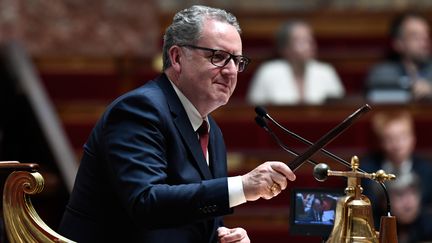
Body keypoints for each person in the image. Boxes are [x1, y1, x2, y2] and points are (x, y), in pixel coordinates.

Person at [58, 5, 296, 243]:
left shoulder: (212, 133)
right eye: (219, 57)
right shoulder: (139, 110)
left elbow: (196, 215)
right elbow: (147, 203)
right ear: (177, 57)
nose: (231, 71)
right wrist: (243, 186)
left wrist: (223, 237)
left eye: (237, 60)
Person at [360, 111, 432, 227]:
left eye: (402, 137)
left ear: (413, 139)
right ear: (381, 142)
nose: (397, 145)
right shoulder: (367, 170)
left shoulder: (427, 170)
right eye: (390, 139)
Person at [247, 20, 345, 105]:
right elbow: (254, 109)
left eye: (310, 39)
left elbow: (338, 108)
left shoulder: (326, 71)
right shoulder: (268, 72)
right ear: (284, 47)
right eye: (301, 40)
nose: (310, 44)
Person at [366, 12, 432, 103]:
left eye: (426, 36)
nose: (424, 43)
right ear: (398, 44)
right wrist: (410, 91)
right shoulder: (382, 73)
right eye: (416, 37)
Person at [384, 172, 432, 243]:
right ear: (384, 201)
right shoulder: (377, 227)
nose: (408, 203)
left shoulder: (429, 225)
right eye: (400, 195)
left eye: (413, 193)